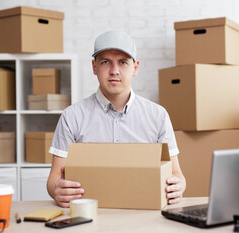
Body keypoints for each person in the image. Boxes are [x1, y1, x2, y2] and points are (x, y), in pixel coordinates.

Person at [47, 30, 186, 208]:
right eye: (105, 62)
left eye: (123, 62)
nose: (114, 71)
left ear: (135, 68)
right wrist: (57, 190)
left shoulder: (158, 116)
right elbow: (54, 179)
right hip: (88, 216)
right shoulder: (72, 116)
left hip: (144, 216)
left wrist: (178, 186)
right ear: (94, 67)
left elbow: (177, 174)